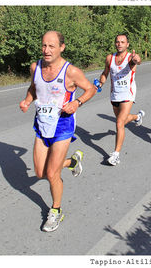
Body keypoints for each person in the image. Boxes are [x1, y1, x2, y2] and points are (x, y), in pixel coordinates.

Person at [19, 31, 96, 232]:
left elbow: (90, 89)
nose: (46, 50)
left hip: (62, 125)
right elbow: (34, 87)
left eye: (52, 46)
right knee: (40, 172)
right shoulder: (35, 67)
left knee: (52, 173)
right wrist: (28, 100)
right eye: (44, 45)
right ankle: (72, 162)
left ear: (62, 47)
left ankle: (56, 211)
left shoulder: (70, 72)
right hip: (41, 124)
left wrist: (77, 102)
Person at [96, 34, 144, 166]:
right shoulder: (109, 58)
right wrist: (100, 83)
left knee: (119, 123)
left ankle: (116, 154)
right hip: (114, 94)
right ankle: (137, 117)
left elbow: (138, 61)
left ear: (127, 44)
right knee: (121, 122)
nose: (119, 44)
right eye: (117, 42)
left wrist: (137, 59)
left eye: (123, 42)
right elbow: (105, 73)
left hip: (128, 94)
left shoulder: (130, 57)